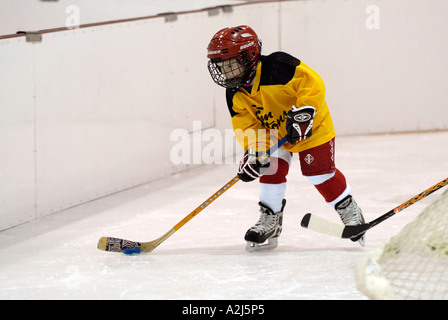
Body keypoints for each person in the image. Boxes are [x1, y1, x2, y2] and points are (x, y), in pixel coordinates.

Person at [206, 25, 365, 252]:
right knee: (269, 166)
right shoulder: (234, 92)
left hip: (310, 126)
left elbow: (312, 83)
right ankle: (270, 219)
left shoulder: (279, 66)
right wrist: (255, 152)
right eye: (221, 66)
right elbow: (247, 126)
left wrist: (304, 112)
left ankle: (350, 211)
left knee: (319, 172)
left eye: (230, 64)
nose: (226, 72)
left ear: (250, 57)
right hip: (275, 133)